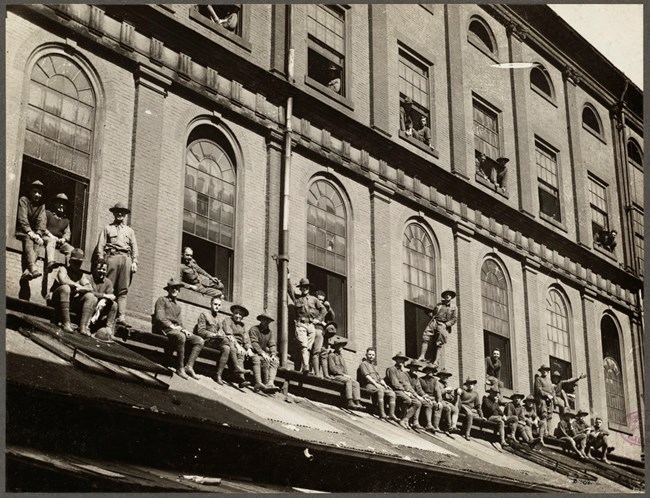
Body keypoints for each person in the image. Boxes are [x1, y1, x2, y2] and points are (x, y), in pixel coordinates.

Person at [95, 202, 139, 326]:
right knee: (109, 286)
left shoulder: (130, 231)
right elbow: (101, 245)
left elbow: (134, 247)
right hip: (112, 257)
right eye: (117, 211)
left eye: (122, 212)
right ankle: (102, 314)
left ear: (125, 214)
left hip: (126, 259)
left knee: (123, 289)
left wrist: (135, 261)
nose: (120, 214)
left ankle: (121, 316)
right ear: (114, 213)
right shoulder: (107, 228)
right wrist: (100, 259)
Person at [152, 278, 204, 380]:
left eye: (177, 288)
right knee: (181, 337)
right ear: (168, 289)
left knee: (199, 340)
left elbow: (180, 323)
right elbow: (160, 318)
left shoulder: (178, 306)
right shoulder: (162, 300)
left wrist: (185, 330)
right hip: (164, 329)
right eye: (172, 288)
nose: (175, 290)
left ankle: (189, 366)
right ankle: (180, 368)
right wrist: (172, 326)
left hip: (175, 330)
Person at [48, 248, 94, 335]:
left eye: (79, 262)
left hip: (70, 302)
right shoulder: (63, 269)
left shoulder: (81, 275)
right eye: (75, 262)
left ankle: (83, 326)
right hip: (56, 300)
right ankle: (66, 323)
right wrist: (76, 285)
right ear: (70, 261)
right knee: (66, 288)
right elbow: (63, 281)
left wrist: (81, 288)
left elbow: (90, 287)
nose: (77, 265)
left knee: (90, 296)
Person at [223, 304, 266, 392]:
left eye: (240, 315)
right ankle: (241, 379)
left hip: (240, 346)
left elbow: (246, 339)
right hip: (229, 342)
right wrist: (238, 346)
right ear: (233, 313)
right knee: (239, 353)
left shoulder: (242, 326)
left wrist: (249, 349)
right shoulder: (227, 320)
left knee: (255, 357)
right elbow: (229, 334)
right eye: (236, 313)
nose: (238, 316)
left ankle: (258, 382)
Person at [194, 296, 236, 385]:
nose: (217, 306)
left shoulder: (218, 319)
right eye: (215, 304)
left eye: (219, 305)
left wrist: (223, 335)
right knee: (229, 341)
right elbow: (200, 331)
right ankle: (235, 367)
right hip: (205, 341)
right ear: (210, 304)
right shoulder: (204, 314)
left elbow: (220, 331)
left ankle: (218, 374)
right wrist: (213, 335)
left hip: (215, 343)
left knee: (227, 348)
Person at [288, 276, 326, 374]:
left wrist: (318, 319)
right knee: (304, 346)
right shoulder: (297, 299)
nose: (305, 289)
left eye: (307, 287)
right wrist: (288, 278)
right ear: (300, 288)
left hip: (311, 325)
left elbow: (323, 309)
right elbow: (289, 290)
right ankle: (306, 366)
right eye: (303, 287)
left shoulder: (314, 299)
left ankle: (305, 366)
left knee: (308, 348)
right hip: (301, 325)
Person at [16, 180, 47, 281]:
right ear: (30, 191)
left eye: (40, 193)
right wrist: (30, 232)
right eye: (35, 192)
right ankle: (32, 267)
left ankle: (27, 271)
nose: (37, 195)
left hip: (33, 234)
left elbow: (42, 221)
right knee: (29, 238)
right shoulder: (23, 200)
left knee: (37, 243)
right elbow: (22, 218)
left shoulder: (41, 206)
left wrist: (38, 234)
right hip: (22, 231)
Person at [418, 290, 457, 367]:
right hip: (434, 321)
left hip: (443, 324)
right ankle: (422, 356)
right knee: (425, 336)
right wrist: (427, 310)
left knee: (439, 342)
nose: (447, 296)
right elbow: (433, 313)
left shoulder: (454, 307)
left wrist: (446, 324)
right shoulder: (439, 305)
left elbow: (454, 319)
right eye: (446, 295)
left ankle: (436, 361)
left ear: (451, 297)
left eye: (449, 295)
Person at [358, 347, 398, 421]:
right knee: (380, 390)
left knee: (392, 393)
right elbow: (367, 376)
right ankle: (382, 413)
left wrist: (385, 385)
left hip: (377, 385)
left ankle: (391, 414)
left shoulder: (374, 366)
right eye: (369, 354)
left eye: (373, 355)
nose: (371, 356)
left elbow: (380, 379)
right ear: (366, 355)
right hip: (368, 385)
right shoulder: (363, 364)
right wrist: (376, 385)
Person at [385, 352, 422, 430]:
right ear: (396, 360)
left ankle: (405, 419)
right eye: (400, 359)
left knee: (417, 403)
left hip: (403, 391)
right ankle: (401, 417)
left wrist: (416, 395)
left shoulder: (403, 373)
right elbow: (394, 383)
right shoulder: (391, 369)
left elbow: (408, 386)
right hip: (395, 390)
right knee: (407, 400)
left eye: (403, 360)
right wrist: (405, 391)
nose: (401, 361)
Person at [249, 312, 281, 393]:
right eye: (264, 320)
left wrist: (273, 354)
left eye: (268, 321)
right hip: (253, 352)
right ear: (260, 320)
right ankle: (259, 383)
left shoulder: (269, 332)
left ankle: (270, 383)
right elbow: (254, 343)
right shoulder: (254, 329)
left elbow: (272, 344)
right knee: (264, 360)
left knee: (275, 360)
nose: (266, 322)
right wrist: (262, 353)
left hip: (263, 354)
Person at [328, 335, 363, 409]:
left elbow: (345, 370)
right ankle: (349, 401)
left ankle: (357, 402)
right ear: (336, 347)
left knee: (356, 383)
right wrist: (344, 375)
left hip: (343, 376)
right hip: (335, 376)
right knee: (348, 381)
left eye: (342, 346)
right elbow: (332, 369)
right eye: (339, 345)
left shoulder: (341, 358)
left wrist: (347, 375)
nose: (341, 347)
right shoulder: (331, 355)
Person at [88, 258, 117, 341]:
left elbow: (111, 296)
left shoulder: (108, 282)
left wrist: (104, 299)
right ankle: (86, 325)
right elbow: (89, 291)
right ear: (94, 269)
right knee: (91, 298)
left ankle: (109, 329)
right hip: (90, 305)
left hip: (101, 309)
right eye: (99, 269)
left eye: (104, 269)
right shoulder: (89, 278)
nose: (102, 271)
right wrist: (103, 295)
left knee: (114, 304)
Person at [44, 193, 73, 271]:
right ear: (55, 204)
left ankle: (69, 269)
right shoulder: (47, 213)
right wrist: (51, 235)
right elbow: (41, 226)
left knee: (71, 249)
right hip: (46, 238)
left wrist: (63, 239)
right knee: (51, 240)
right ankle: (50, 262)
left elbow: (67, 233)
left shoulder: (66, 220)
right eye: (59, 203)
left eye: (64, 204)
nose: (61, 206)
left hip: (58, 241)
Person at [310, 289, 333, 377]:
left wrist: (329, 307)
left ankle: (325, 374)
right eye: (319, 299)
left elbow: (332, 316)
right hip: (315, 331)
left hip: (323, 334)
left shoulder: (323, 309)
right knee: (316, 351)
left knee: (324, 353)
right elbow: (311, 319)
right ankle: (317, 372)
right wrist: (320, 322)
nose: (321, 302)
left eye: (322, 300)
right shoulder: (313, 308)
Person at [405, 360, 431, 430]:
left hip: (414, 394)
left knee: (428, 403)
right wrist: (417, 396)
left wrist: (424, 396)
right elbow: (408, 387)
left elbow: (419, 388)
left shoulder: (416, 377)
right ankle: (415, 422)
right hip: (407, 392)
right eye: (414, 367)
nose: (415, 369)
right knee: (418, 401)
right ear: (410, 367)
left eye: (416, 368)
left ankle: (429, 424)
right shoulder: (405, 374)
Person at [418, 364, 443, 432]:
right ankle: (429, 424)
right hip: (424, 397)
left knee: (438, 406)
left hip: (432, 398)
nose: (430, 372)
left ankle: (435, 426)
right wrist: (424, 396)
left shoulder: (435, 381)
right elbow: (419, 389)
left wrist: (439, 401)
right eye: (428, 370)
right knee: (429, 405)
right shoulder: (420, 379)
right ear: (426, 371)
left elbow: (438, 391)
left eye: (432, 371)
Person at [458, 377, 484, 441]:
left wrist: (481, 416)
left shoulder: (475, 394)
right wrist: (458, 390)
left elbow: (478, 406)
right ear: (466, 385)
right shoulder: (463, 391)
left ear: (474, 385)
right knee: (470, 414)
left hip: (469, 409)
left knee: (473, 415)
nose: (470, 385)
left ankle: (465, 430)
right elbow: (457, 394)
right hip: (462, 406)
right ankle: (467, 434)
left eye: (472, 384)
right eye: (468, 384)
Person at [534, 364, 554, 440]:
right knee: (544, 414)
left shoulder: (549, 380)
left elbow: (553, 390)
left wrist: (552, 397)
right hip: (542, 400)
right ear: (541, 371)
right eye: (543, 370)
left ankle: (549, 432)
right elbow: (539, 390)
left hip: (550, 400)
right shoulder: (538, 379)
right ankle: (544, 431)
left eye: (546, 370)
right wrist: (546, 395)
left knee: (550, 416)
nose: (545, 371)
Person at [438, 369, 460, 433]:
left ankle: (453, 426)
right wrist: (445, 390)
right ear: (440, 376)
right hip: (440, 400)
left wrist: (450, 394)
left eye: (446, 376)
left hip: (447, 401)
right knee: (448, 408)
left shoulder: (448, 385)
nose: (445, 377)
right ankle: (448, 426)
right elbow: (438, 393)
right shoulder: (437, 383)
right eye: (443, 375)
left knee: (455, 409)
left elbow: (452, 397)